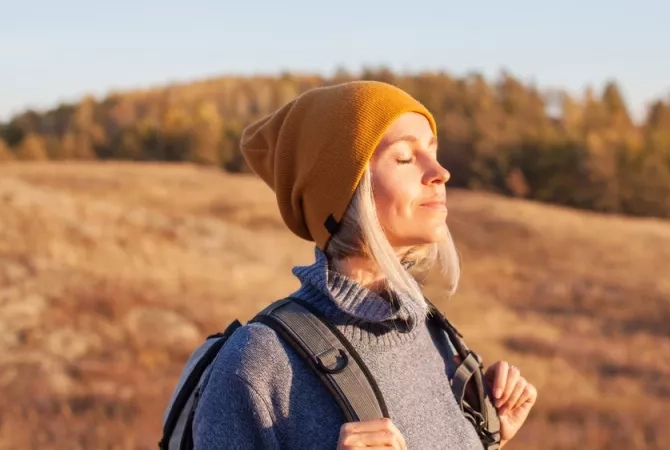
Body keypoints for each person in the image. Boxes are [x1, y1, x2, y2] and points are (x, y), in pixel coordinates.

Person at [192, 80, 537, 449]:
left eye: (433, 151)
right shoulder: (258, 362)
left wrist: (489, 435)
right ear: (344, 192)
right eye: (405, 157)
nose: (440, 171)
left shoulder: (433, 334)